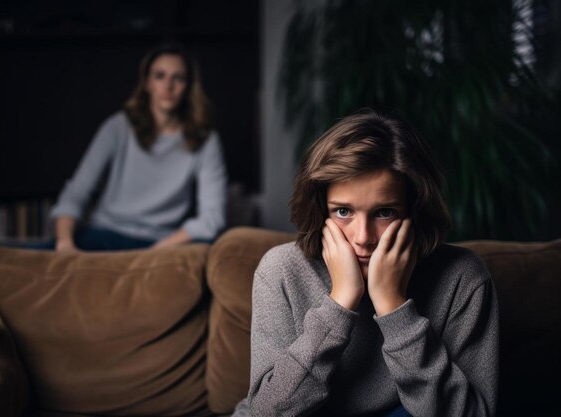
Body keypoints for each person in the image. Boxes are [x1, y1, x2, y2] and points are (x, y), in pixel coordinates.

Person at [232, 110, 498, 416]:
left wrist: (394, 307)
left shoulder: (463, 278)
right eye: (343, 211)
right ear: (321, 211)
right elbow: (267, 412)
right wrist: (340, 303)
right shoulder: (281, 269)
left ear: (415, 211)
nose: (363, 238)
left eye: (384, 212)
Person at [49, 44, 227, 251]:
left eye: (178, 78)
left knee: (204, 247)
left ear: (188, 86)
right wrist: (65, 243)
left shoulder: (205, 139)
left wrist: (152, 253)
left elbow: (212, 218)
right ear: (147, 83)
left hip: (164, 242)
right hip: (105, 234)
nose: (168, 86)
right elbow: (76, 192)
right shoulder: (117, 127)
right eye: (160, 76)